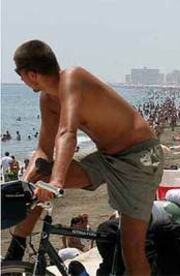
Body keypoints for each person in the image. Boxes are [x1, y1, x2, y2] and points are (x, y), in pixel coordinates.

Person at [5, 40, 163, 275]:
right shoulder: (48, 100)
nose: (21, 80)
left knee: (131, 248)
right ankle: (14, 254)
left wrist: (57, 182)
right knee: (39, 174)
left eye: (20, 75)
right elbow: (43, 150)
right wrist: (26, 182)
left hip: (140, 158)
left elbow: (67, 133)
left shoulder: (73, 78)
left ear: (31, 74)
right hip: (107, 158)